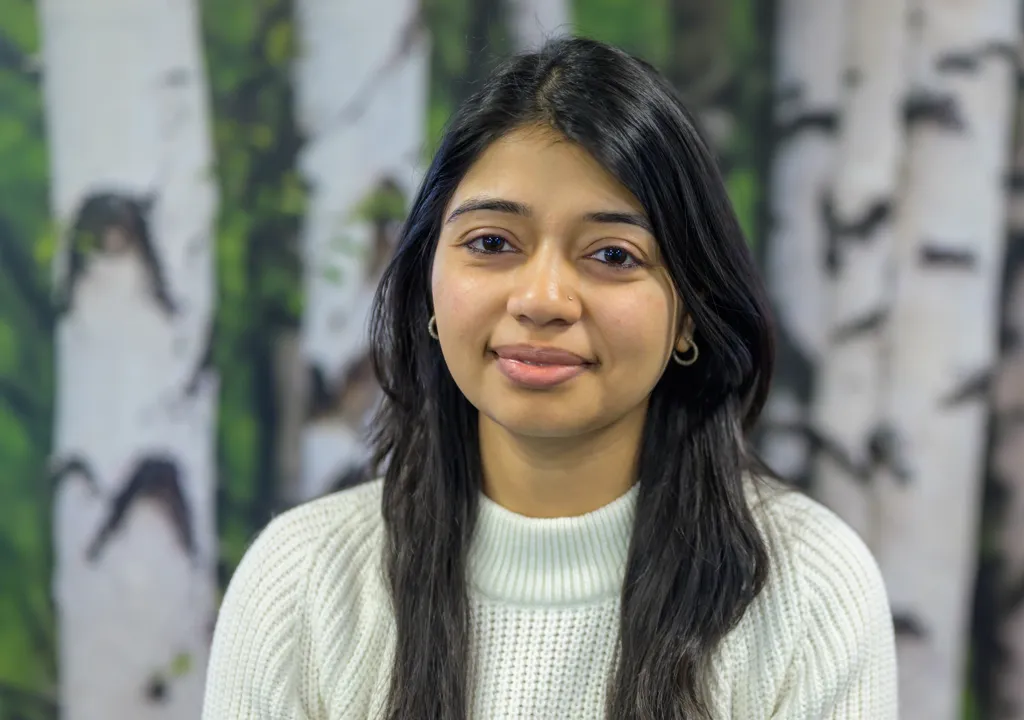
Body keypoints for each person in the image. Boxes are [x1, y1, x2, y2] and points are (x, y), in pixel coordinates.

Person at [201, 36, 897, 720]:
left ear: (689, 315)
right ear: (427, 287)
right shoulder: (300, 586)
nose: (541, 300)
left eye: (613, 255)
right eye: (492, 243)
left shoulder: (808, 592)